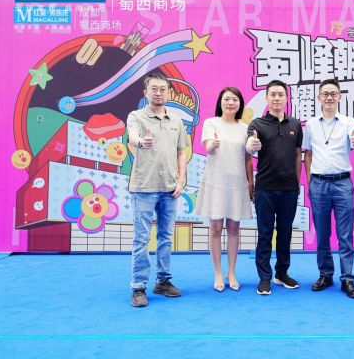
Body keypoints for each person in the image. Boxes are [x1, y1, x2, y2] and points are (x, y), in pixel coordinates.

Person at [126, 73, 188, 308]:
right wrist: (141, 142)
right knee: (141, 239)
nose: (158, 92)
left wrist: (181, 179)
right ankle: (138, 287)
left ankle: (163, 281)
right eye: (154, 88)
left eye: (163, 89)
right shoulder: (136, 116)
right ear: (146, 92)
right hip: (144, 187)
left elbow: (182, 151)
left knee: (166, 237)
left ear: (168, 92)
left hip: (170, 188)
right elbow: (132, 136)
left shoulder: (176, 121)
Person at [303, 79, 354, 299]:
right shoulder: (310, 125)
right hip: (318, 184)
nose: (329, 97)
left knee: (345, 234)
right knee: (322, 234)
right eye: (325, 94)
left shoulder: (348, 122)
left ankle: (347, 278)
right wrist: (310, 181)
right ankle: (325, 275)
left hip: (342, 184)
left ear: (339, 97)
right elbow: (307, 154)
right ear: (319, 97)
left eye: (333, 94)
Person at [246, 80, 303, 295]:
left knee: (285, 233)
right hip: (265, 189)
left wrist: (297, 182)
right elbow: (249, 147)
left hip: (289, 189)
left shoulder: (295, 125)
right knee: (265, 233)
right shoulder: (257, 124)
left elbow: (297, 155)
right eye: (273, 94)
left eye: (281, 94)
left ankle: (282, 273)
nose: (277, 98)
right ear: (267, 98)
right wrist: (252, 145)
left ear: (286, 98)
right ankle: (264, 277)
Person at [195, 87, 254, 292]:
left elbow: (248, 155)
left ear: (240, 104)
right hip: (217, 181)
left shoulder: (245, 127)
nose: (231, 103)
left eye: (235, 100)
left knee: (234, 228)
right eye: (227, 99)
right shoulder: (211, 123)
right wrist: (213, 144)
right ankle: (218, 273)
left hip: (237, 182)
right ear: (220, 102)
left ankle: (232, 272)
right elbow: (208, 146)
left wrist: (251, 182)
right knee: (215, 228)